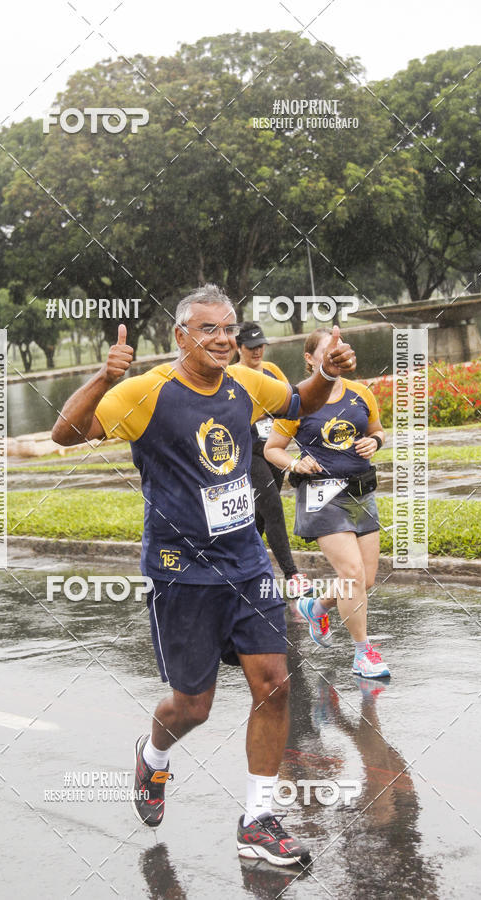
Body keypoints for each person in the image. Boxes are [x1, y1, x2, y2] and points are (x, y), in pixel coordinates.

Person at [52, 285, 356, 866]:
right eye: (208, 329)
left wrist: (323, 372)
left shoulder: (246, 382)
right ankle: (153, 756)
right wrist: (102, 376)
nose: (222, 339)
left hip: (247, 562)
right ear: (181, 335)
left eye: (229, 329)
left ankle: (258, 820)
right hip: (180, 572)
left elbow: (299, 404)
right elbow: (66, 434)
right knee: (193, 706)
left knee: (275, 683)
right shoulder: (145, 393)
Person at [264, 327, 389, 679]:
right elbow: (271, 449)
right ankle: (363, 654)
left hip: (361, 492)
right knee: (351, 576)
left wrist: (375, 443)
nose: (336, 354)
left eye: (340, 347)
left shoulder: (361, 393)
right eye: (327, 349)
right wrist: (295, 463)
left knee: (364, 580)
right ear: (309, 359)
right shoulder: (298, 402)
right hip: (322, 497)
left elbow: (378, 430)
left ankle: (315, 606)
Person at [233, 322, 311, 597]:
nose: (257, 351)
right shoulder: (232, 376)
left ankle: (239, 566)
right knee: (274, 508)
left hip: (273, 449)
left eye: (261, 346)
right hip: (249, 452)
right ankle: (292, 575)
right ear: (238, 348)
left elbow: (290, 401)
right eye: (251, 347)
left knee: (261, 516)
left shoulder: (272, 371)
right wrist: (263, 413)